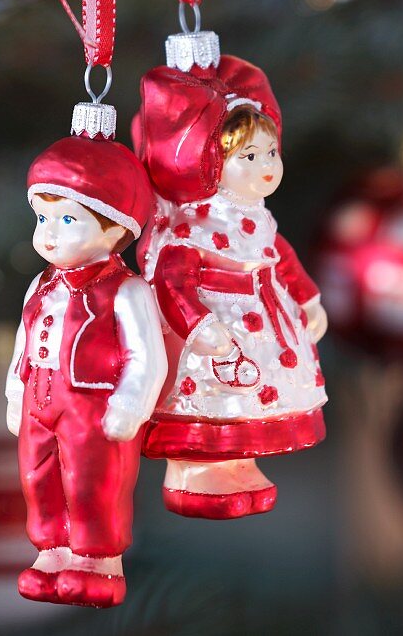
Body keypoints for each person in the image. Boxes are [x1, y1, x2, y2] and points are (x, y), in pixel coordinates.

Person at [135, 53, 328, 519]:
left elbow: (280, 257)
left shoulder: (257, 218)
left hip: (265, 326)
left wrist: (307, 297)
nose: (266, 166)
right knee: (210, 395)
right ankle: (196, 473)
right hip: (213, 330)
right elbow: (171, 281)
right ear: (207, 161)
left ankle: (241, 462)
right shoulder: (189, 227)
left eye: (270, 153)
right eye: (248, 156)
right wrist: (197, 325)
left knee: (252, 397)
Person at [5, 134, 167, 608]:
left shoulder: (127, 290)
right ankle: (51, 552)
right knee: (39, 477)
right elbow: (25, 340)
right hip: (40, 398)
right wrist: (16, 391)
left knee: (92, 480)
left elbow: (147, 356)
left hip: (93, 405)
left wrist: (129, 405)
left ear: (115, 230)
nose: (49, 233)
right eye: (42, 218)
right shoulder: (40, 283)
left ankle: (98, 561)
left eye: (68, 219)